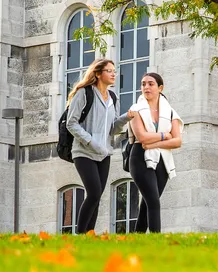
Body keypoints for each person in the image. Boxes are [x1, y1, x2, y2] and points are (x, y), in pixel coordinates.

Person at [65, 58, 129, 234]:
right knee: (93, 192)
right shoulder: (84, 93)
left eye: (114, 70)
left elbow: (113, 129)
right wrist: (91, 141)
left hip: (104, 153)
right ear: (98, 74)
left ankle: (89, 234)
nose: (113, 74)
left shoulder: (112, 97)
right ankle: (79, 234)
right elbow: (71, 123)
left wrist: (126, 117)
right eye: (109, 71)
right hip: (84, 152)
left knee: (97, 196)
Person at [127, 72, 183, 233]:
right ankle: (156, 239)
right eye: (143, 84)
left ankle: (136, 238)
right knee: (153, 201)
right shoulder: (135, 109)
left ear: (160, 88)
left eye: (150, 84)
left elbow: (178, 141)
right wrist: (166, 136)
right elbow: (142, 137)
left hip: (162, 159)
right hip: (140, 158)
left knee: (148, 202)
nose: (146, 87)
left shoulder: (170, 112)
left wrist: (156, 143)